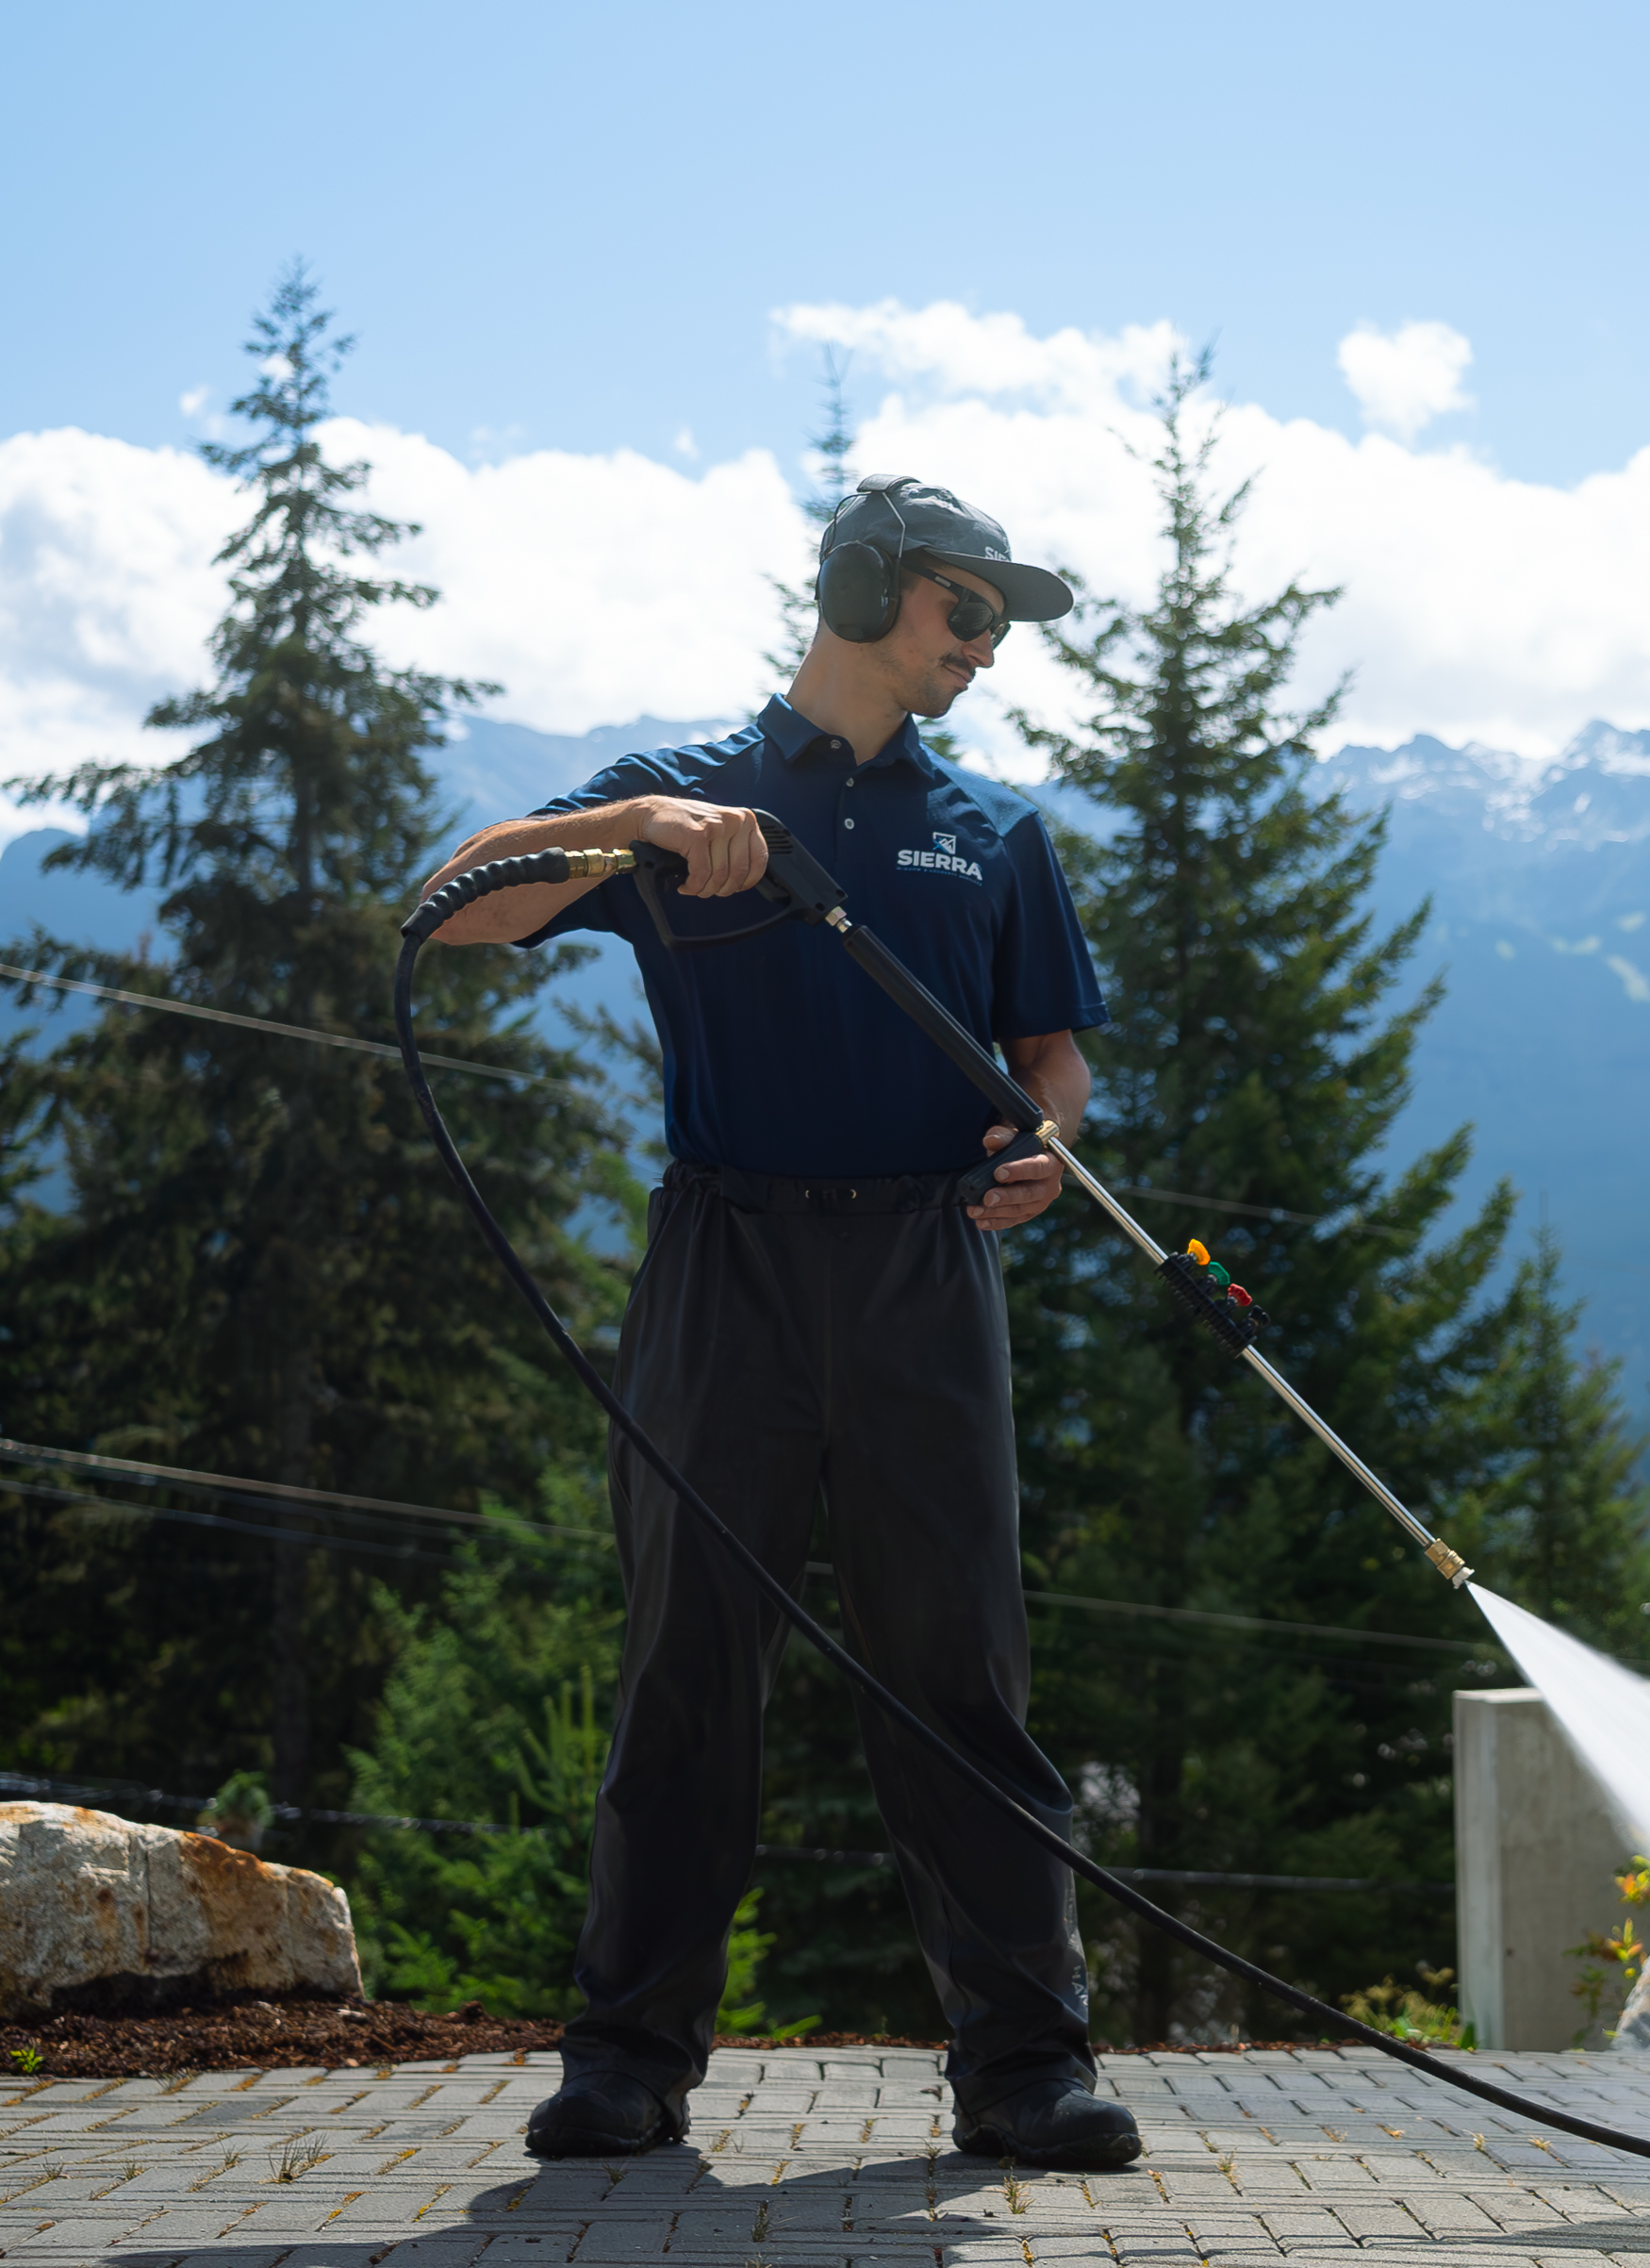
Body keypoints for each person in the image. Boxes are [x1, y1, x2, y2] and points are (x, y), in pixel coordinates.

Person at [416, 475, 1136, 2169]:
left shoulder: (998, 828)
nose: (989, 648)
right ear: (868, 584)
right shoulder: (689, 795)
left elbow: (1053, 1056)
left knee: (960, 1671)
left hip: (924, 1274)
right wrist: (649, 831)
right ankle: (628, 2059)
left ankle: (1026, 2066)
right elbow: (453, 907)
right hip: (722, 1268)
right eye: (971, 610)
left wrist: (1050, 1139)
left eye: (1003, 623)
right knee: (685, 1666)